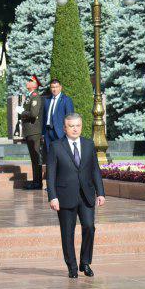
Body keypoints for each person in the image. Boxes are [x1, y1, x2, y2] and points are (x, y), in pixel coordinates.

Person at [46, 113, 104, 279]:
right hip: (64, 196)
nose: (75, 129)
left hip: (86, 194)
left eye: (77, 125)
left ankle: (85, 262)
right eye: (71, 126)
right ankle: (72, 266)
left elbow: (95, 170)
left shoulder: (88, 144)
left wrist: (101, 192)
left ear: (81, 126)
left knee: (89, 227)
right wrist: (52, 196)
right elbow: (50, 174)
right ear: (65, 128)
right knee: (67, 232)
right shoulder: (56, 146)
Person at [18, 75, 45, 189]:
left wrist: (22, 112)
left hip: (34, 131)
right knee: (34, 158)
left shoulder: (35, 96)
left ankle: (37, 182)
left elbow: (33, 114)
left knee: (36, 156)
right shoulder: (30, 97)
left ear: (35, 85)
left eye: (30, 81)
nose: (27, 82)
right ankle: (36, 181)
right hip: (30, 130)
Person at [42, 79, 73, 154]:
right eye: (52, 87)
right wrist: (43, 132)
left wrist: (67, 131)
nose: (54, 89)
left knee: (61, 153)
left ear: (60, 87)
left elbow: (69, 117)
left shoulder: (66, 100)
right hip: (48, 131)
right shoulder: (47, 100)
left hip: (60, 132)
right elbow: (44, 117)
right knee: (50, 154)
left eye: (56, 87)